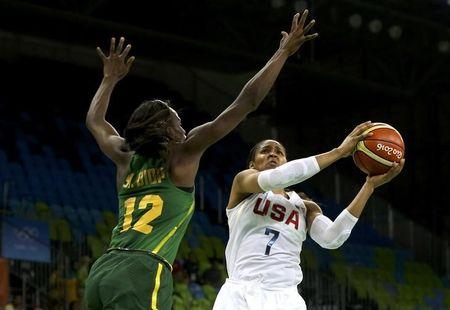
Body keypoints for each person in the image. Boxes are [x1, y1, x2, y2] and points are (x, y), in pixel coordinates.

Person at [84, 10, 318, 310]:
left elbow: (95, 121)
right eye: (176, 121)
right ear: (163, 129)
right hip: (143, 271)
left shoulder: (124, 156)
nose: (182, 128)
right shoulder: (182, 154)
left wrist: (108, 80)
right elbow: (247, 102)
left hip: (103, 269)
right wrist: (283, 52)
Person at [213, 128, 405, 310]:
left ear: (287, 162)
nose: (273, 154)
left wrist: (369, 187)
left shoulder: (304, 206)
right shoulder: (243, 184)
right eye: (265, 151)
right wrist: (338, 152)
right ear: (252, 165)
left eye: (279, 152)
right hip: (240, 291)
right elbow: (277, 178)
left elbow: (332, 238)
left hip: (286, 297)